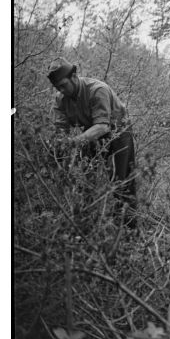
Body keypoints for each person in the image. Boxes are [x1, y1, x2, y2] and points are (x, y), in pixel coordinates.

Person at [47, 57, 138, 228]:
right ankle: (87, 225)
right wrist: (57, 147)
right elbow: (59, 129)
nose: (60, 90)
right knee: (85, 178)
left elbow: (103, 127)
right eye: (57, 87)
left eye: (63, 85)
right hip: (91, 132)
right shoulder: (60, 99)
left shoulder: (97, 90)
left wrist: (72, 142)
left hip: (118, 131)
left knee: (122, 181)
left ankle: (129, 231)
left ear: (74, 76)